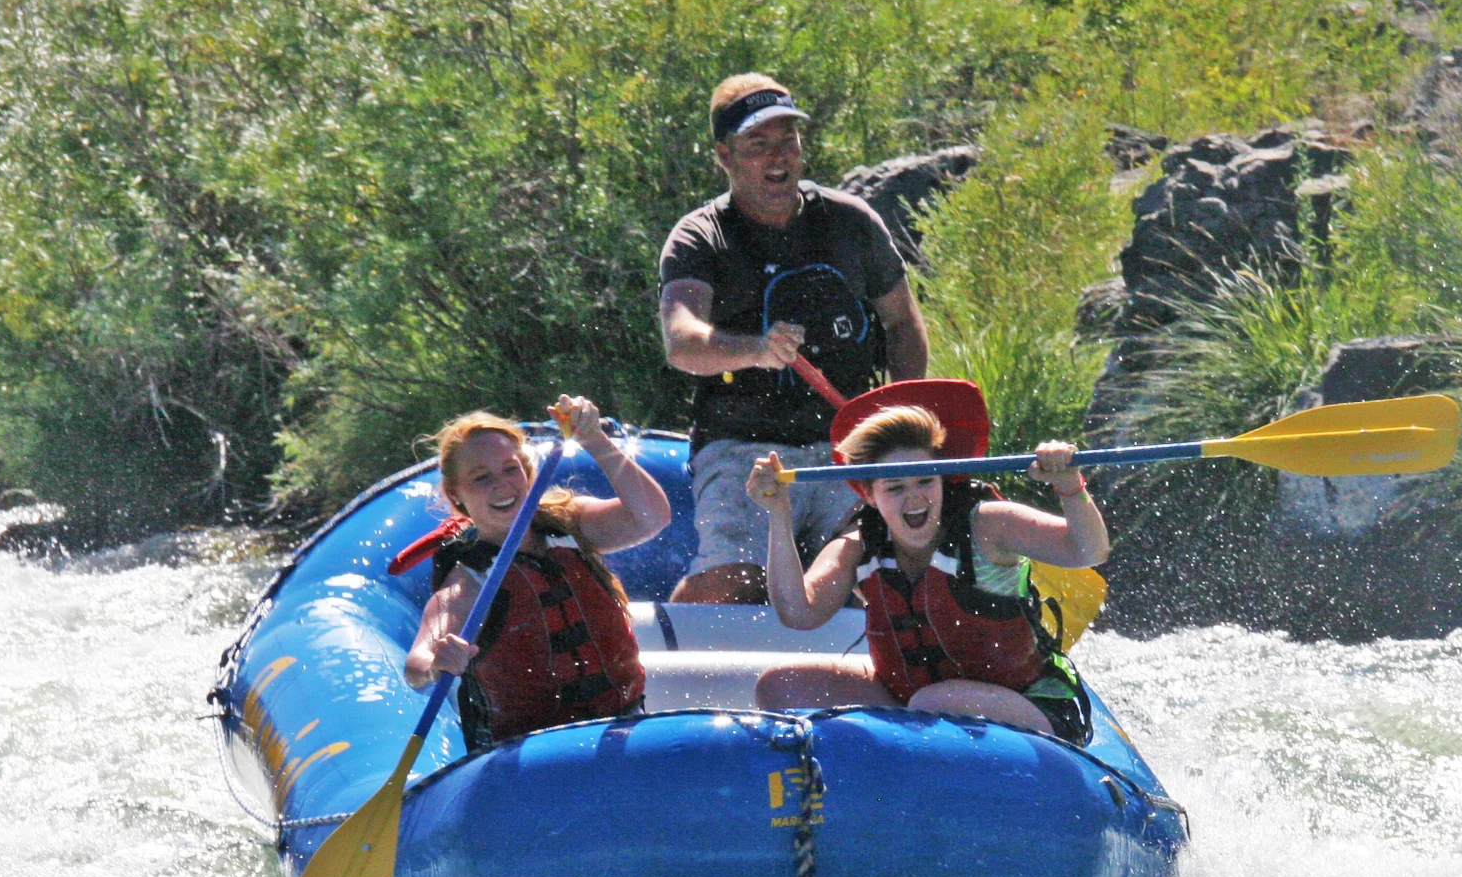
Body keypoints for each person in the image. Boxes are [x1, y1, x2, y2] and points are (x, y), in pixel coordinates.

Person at [658, 72, 931, 604]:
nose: (777, 157)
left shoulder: (851, 221)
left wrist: (897, 427)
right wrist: (756, 349)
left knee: (864, 577)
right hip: (741, 449)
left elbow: (903, 324)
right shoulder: (700, 237)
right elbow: (682, 340)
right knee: (741, 582)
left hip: (843, 447)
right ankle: (648, 659)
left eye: (787, 141)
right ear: (724, 156)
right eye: (758, 145)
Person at [743, 405, 1107, 742]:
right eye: (895, 488)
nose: (914, 499)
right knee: (780, 685)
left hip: (1030, 705)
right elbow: (797, 612)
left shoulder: (988, 526)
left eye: (924, 481)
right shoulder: (857, 545)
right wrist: (779, 513)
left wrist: (1069, 486)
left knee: (935, 699)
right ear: (869, 494)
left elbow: (1088, 550)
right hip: (918, 704)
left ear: (942, 480)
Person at [404, 396, 671, 749]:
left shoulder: (570, 525)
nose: (501, 484)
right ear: (458, 496)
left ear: (528, 473)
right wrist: (437, 661)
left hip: (620, 728)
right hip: (532, 755)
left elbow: (652, 518)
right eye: (481, 478)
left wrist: (594, 439)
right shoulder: (469, 582)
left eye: (510, 469)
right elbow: (416, 665)